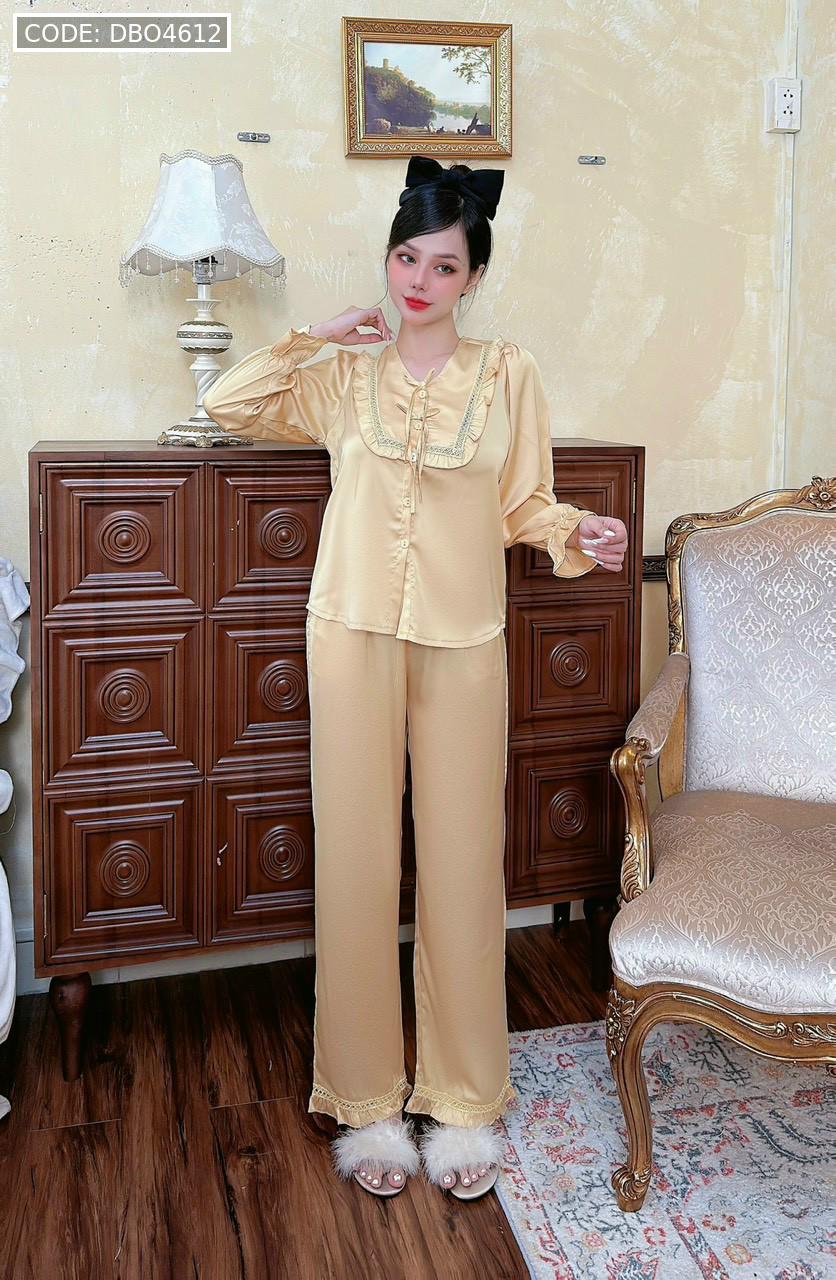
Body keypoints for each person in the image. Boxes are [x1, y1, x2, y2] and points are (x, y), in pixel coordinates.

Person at [203, 155, 628, 1202]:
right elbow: (227, 401)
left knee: (463, 864)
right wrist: (313, 335)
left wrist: (579, 530)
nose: (418, 280)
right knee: (353, 860)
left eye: (442, 265)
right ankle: (366, 1105)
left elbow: (523, 502)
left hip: (463, 639)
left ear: (473, 277)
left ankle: (465, 1097)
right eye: (406, 258)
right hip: (350, 633)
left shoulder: (508, 374)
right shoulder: (342, 374)